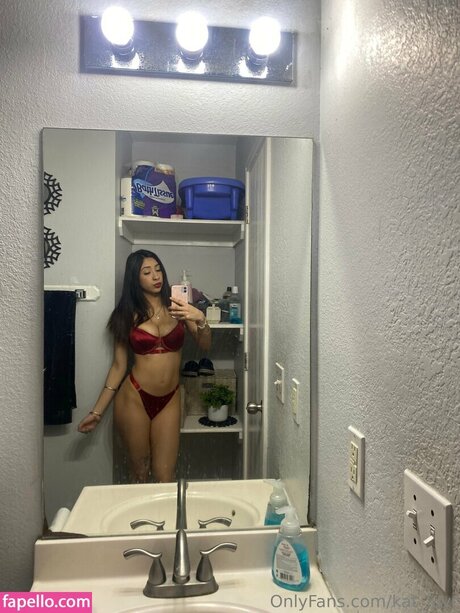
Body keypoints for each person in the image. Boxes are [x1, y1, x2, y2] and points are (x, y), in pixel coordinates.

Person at [77, 249, 211, 482]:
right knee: (139, 472)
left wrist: (200, 318)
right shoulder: (126, 315)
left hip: (170, 398)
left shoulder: (178, 307)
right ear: (135, 278)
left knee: (165, 475)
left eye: (158, 270)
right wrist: (97, 412)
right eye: (147, 272)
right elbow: (118, 366)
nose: (156, 276)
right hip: (135, 398)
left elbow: (205, 345)